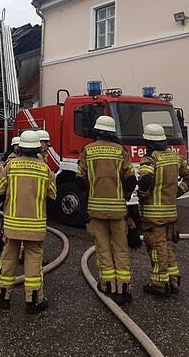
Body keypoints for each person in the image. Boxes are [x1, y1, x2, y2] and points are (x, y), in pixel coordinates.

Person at [0, 130, 57, 313]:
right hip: (35, 225)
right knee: (34, 260)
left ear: (21, 147)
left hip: (12, 224)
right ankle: (34, 301)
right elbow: (53, 195)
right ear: (37, 148)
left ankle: (1, 297)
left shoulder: (11, 166)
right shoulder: (45, 169)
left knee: (9, 258)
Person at [77, 115, 136, 304]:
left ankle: (108, 285)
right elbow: (131, 179)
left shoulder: (88, 150)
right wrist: (125, 198)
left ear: (96, 131)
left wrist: (90, 192)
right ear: (112, 132)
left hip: (95, 208)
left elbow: (80, 179)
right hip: (118, 209)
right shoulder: (121, 151)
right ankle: (124, 288)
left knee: (102, 248)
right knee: (120, 248)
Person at [135, 123, 189, 298]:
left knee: (156, 247)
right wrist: (177, 192)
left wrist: (141, 195)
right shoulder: (174, 158)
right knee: (165, 246)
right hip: (170, 212)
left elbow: (146, 179)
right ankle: (173, 280)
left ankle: (159, 284)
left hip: (154, 215)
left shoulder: (150, 159)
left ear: (148, 142)